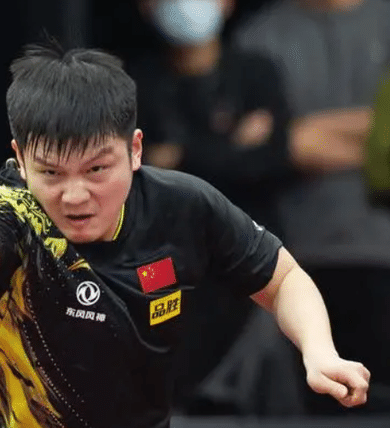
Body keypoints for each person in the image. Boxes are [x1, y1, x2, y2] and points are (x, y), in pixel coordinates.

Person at [0, 42, 370, 428]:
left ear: (135, 150)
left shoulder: (182, 206)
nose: (75, 195)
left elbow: (282, 279)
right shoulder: (11, 212)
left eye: (96, 169)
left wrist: (319, 351)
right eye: (51, 173)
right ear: (20, 159)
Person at [127, 0, 303, 416]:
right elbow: (138, 176)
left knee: (269, 368)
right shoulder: (134, 84)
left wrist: (181, 156)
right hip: (164, 259)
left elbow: (273, 160)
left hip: (251, 256)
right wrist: (228, 146)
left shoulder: (256, 72)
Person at [234, 0, 390, 414]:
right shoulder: (260, 36)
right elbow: (252, 148)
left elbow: (287, 140)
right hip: (292, 262)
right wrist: (376, 133)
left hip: (382, 254)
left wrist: (298, 132)